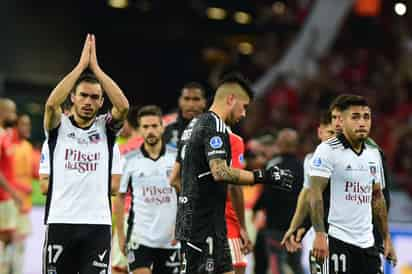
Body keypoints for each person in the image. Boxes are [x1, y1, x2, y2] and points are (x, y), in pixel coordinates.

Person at [175, 72, 294, 274]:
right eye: (244, 107)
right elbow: (220, 172)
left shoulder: (193, 126)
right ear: (231, 99)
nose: (244, 114)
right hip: (204, 227)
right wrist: (265, 176)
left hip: (203, 223)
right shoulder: (216, 126)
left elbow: (175, 178)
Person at [42, 33, 129, 274]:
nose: (88, 101)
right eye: (83, 95)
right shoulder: (58, 127)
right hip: (61, 221)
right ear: (73, 97)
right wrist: (80, 67)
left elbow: (123, 107)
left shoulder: (107, 129)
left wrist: (96, 69)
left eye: (94, 97)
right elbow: (50, 105)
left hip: (97, 224)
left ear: (101, 102)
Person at [309, 95, 396, 273]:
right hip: (337, 240)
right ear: (342, 120)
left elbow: (377, 198)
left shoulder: (373, 154)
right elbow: (315, 193)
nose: (362, 122)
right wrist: (319, 234)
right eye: (355, 117)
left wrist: (386, 238)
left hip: (368, 244)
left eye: (366, 117)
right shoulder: (327, 150)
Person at [115, 105, 180, 274]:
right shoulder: (129, 160)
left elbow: (186, 195)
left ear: (162, 127)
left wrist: (182, 225)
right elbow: (120, 197)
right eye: (145, 127)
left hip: (170, 239)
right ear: (139, 129)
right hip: (139, 236)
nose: (150, 131)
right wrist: (121, 235)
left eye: (154, 126)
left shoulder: (176, 159)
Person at [281, 112, 335, 251]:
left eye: (338, 134)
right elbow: (306, 196)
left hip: (346, 233)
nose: (333, 138)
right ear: (320, 132)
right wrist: (295, 226)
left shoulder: (348, 161)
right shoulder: (311, 160)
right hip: (322, 233)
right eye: (330, 132)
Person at [254, 128, 304, 274]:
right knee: (296, 264)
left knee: (276, 263)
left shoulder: (274, 164)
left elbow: (267, 193)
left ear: (279, 144)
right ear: (296, 145)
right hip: (295, 224)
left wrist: (257, 208)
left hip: (275, 225)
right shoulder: (302, 166)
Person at [10, 114, 37, 274]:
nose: (27, 128)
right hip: (9, 202)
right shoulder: (8, 145)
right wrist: (21, 186)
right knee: (6, 244)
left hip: (23, 205)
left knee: (20, 245)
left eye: (28, 124)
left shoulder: (27, 147)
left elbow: (36, 171)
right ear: (15, 126)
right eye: (23, 124)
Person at [0, 98, 22, 274]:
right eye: (12, 112)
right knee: (6, 238)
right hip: (2, 198)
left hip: (6, 199)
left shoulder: (6, 135)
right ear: (3, 112)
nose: (14, 116)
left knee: (9, 239)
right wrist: (14, 193)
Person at [164, 82, 207, 147]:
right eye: (186, 99)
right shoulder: (166, 128)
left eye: (196, 99)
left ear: (204, 102)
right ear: (180, 101)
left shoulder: (214, 127)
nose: (191, 105)